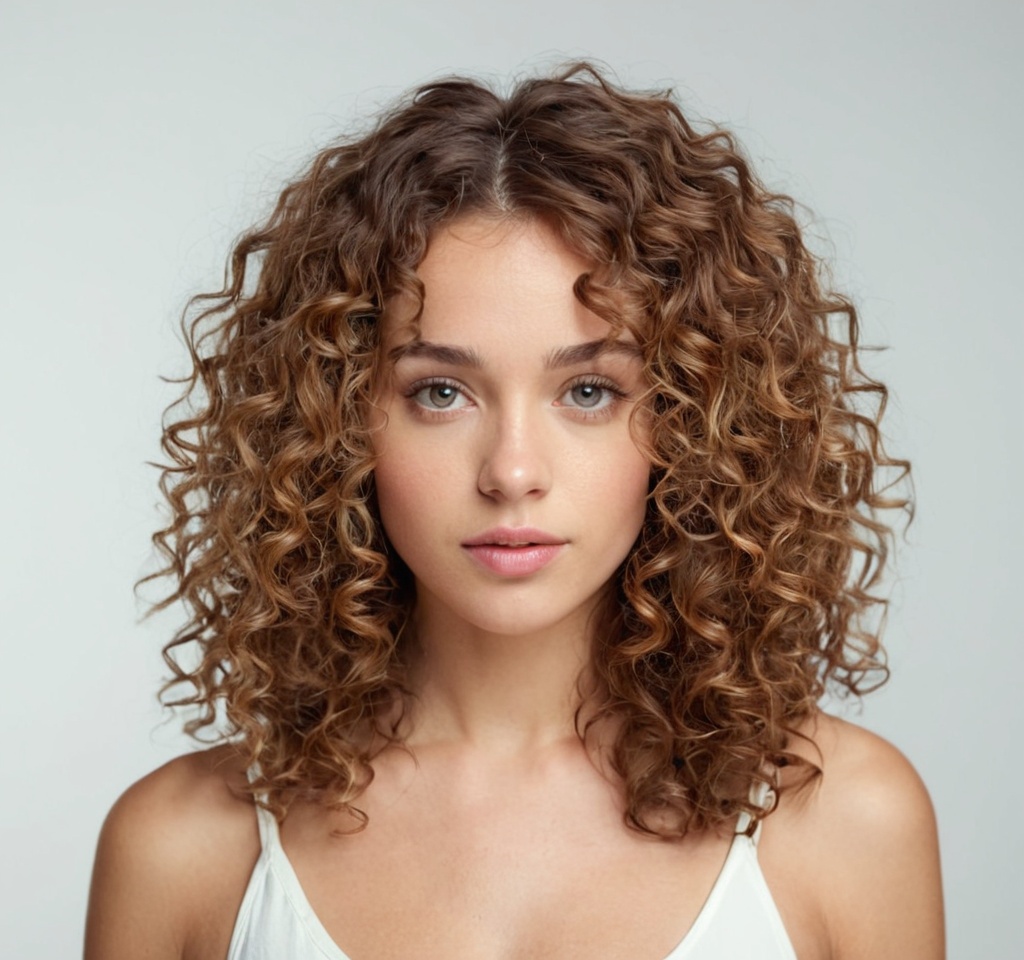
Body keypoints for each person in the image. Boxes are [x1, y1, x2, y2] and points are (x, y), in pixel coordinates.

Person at [84, 63, 944, 960]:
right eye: (442, 391)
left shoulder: (846, 824)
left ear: (697, 418)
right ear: (334, 418)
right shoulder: (183, 854)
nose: (512, 471)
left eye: (588, 390)